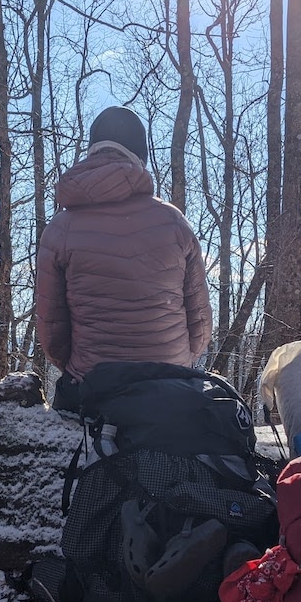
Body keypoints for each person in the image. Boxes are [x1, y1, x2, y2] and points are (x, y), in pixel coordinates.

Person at [34, 106, 212, 412]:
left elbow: (52, 334)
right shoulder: (173, 222)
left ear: (92, 153)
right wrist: (173, 363)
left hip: (94, 394)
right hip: (173, 390)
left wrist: (87, 370)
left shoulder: (61, 229)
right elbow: (199, 325)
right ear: (139, 157)